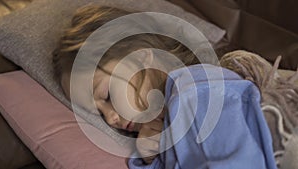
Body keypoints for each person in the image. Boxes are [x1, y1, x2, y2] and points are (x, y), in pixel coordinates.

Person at [53, 5, 277, 168]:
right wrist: (153, 158)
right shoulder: (163, 124)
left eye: (107, 95)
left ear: (141, 57)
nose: (111, 119)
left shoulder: (197, 91)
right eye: (99, 114)